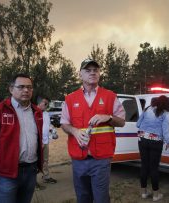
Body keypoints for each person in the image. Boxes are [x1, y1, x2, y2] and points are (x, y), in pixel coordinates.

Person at [61, 58, 125, 203]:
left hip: (101, 159)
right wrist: (75, 131)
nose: (92, 73)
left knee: (101, 199)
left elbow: (121, 121)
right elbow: (64, 123)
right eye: (88, 70)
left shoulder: (110, 96)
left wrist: (108, 117)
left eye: (95, 70)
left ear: (99, 73)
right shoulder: (70, 99)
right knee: (83, 198)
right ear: (80, 74)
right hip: (78, 158)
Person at [0, 73, 43, 203]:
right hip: (7, 173)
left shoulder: (37, 112)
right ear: (11, 89)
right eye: (21, 87)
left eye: (29, 87)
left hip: (31, 170)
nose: (26, 90)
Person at [136, 95, 169, 202]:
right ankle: (156, 195)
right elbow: (165, 132)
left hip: (142, 140)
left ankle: (144, 193)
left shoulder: (147, 109)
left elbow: (138, 124)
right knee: (154, 168)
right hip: (155, 142)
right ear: (166, 104)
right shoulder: (166, 114)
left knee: (144, 166)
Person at [37, 96, 57, 185]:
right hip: (37, 142)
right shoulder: (33, 113)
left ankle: (46, 176)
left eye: (47, 104)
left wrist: (52, 131)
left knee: (45, 160)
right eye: (44, 103)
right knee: (34, 162)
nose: (46, 105)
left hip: (45, 141)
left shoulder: (46, 114)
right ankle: (33, 182)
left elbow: (47, 126)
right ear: (39, 103)